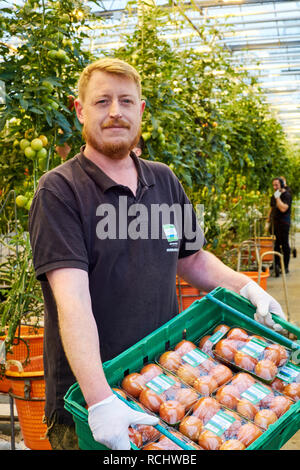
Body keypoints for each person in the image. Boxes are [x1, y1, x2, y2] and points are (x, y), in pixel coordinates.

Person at [29, 58, 287, 450]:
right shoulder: (60, 191)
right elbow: (73, 302)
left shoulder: (162, 179)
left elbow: (192, 259)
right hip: (90, 405)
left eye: (126, 101)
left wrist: (247, 287)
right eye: (102, 102)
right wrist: (100, 402)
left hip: (166, 385)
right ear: (79, 109)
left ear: (141, 110)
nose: (115, 112)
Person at [268, 177, 292, 276]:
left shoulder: (287, 195)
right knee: (276, 244)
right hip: (275, 223)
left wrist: (278, 197)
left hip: (284, 223)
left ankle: (285, 266)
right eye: (273, 185)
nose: (274, 187)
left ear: (281, 185)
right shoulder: (274, 195)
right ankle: (276, 264)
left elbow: (283, 208)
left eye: (276, 185)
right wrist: (268, 220)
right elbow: (272, 207)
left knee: (284, 244)